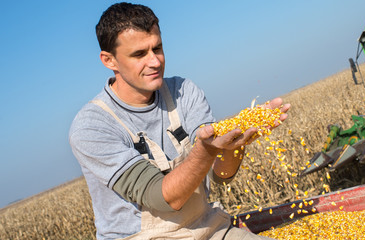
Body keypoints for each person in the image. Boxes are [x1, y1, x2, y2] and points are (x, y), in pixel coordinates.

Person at [69, 2, 290, 240]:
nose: (154, 62)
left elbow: (221, 175)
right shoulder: (92, 126)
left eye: (158, 48)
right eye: (139, 54)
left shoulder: (183, 91)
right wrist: (207, 150)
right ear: (109, 60)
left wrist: (235, 144)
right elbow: (163, 197)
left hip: (207, 229)